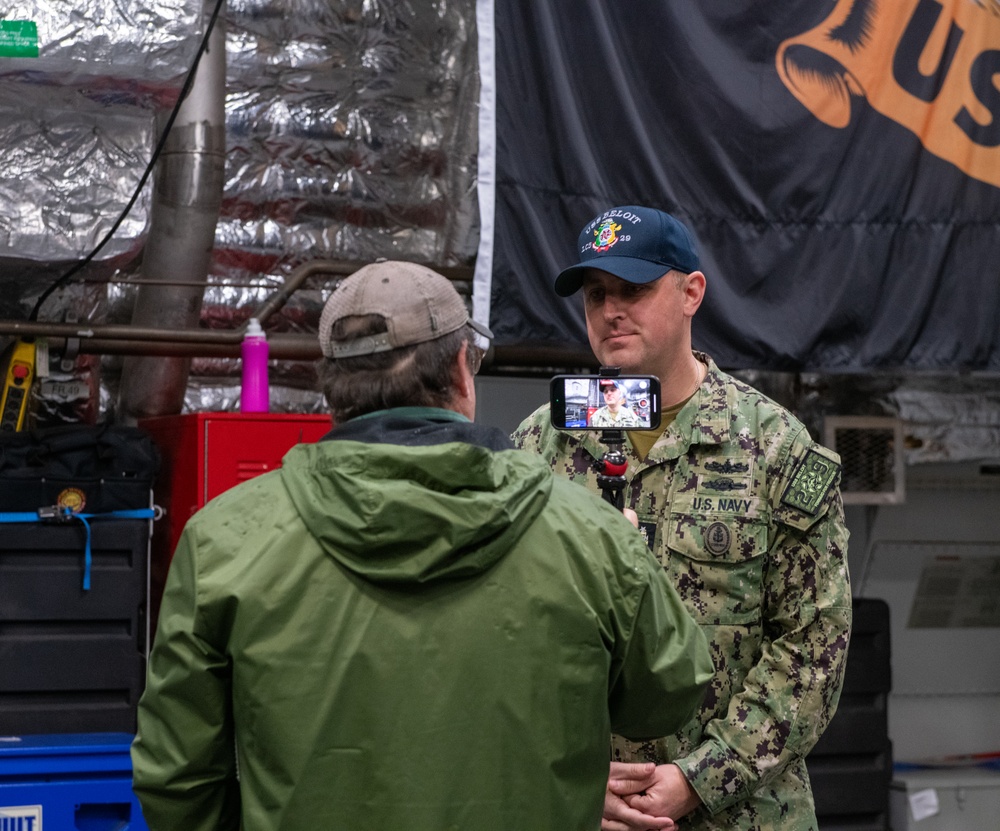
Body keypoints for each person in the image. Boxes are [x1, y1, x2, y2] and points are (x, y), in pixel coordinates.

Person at [131, 259, 713, 831]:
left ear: (331, 387)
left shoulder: (225, 539)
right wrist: (634, 567)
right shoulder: (592, 535)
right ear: (463, 370)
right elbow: (666, 697)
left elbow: (177, 782)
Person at [512, 206, 853, 830]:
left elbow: (814, 648)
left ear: (691, 291)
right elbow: (502, 635)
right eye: (595, 294)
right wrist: (569, 772)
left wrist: (703, 777)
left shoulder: (773, 447)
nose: (611, 309)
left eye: (634, 289)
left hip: (741, 812)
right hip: (586, 808)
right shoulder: (540, 448)